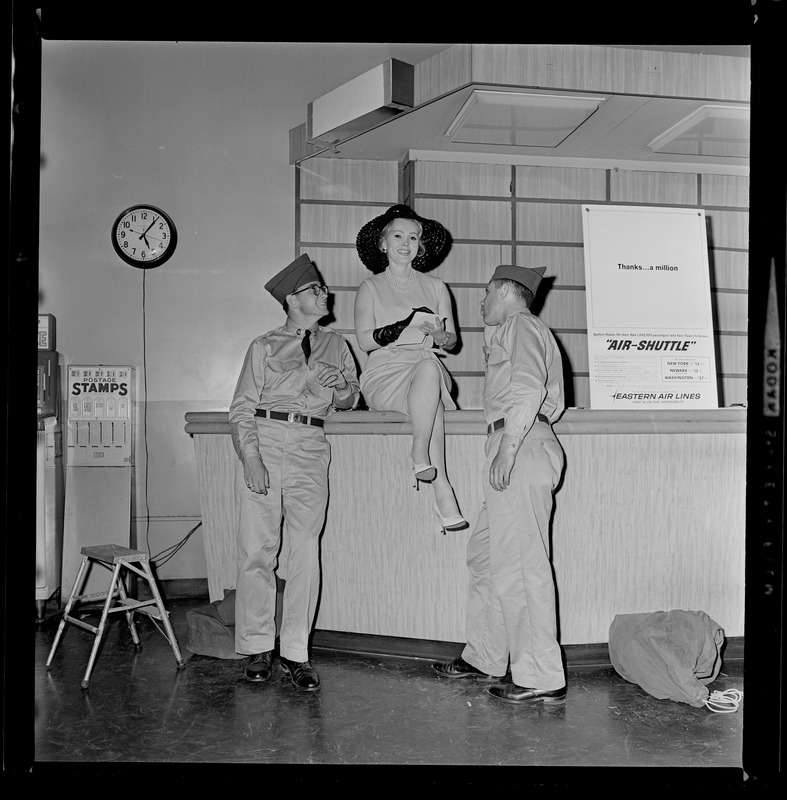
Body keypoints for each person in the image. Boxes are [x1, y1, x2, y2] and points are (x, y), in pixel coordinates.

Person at [432, 265, 568, 704]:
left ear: (506, 291)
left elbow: (528, 387)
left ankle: (540, 675)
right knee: (487, 557)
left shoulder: (521, 325)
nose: (480, 301)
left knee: (522, 565)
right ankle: (486, 656)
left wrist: (509, 447)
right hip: (513, 442)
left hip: (521, 443)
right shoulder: (511, 330)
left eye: (486, 291)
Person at [228, 253, 360, 689]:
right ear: (291, 299)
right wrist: (251, 458)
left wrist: (341, 385)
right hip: (265, 441)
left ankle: (296, 652)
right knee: (257, 550)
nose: (325, 294)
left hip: (310, 446)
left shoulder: (337, 345)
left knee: (304, 550)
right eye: (315, 289)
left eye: (323, 289)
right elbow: (242, 407)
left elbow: (349, 400)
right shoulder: (263, 346)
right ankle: (257, 646)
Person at [353, 204, 467, 532]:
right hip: (385, 372)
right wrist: (399, 328)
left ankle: (421, 454)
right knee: (431, 397)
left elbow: (452, 341)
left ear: (420, 246)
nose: (407, 243)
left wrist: (442, 336)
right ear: (383, 243)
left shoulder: (436, 286)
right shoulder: (370, 287)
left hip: (423, 365)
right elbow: (364, 341)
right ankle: (442, 486)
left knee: (430, 368)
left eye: (413, 237)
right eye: (398, 236)